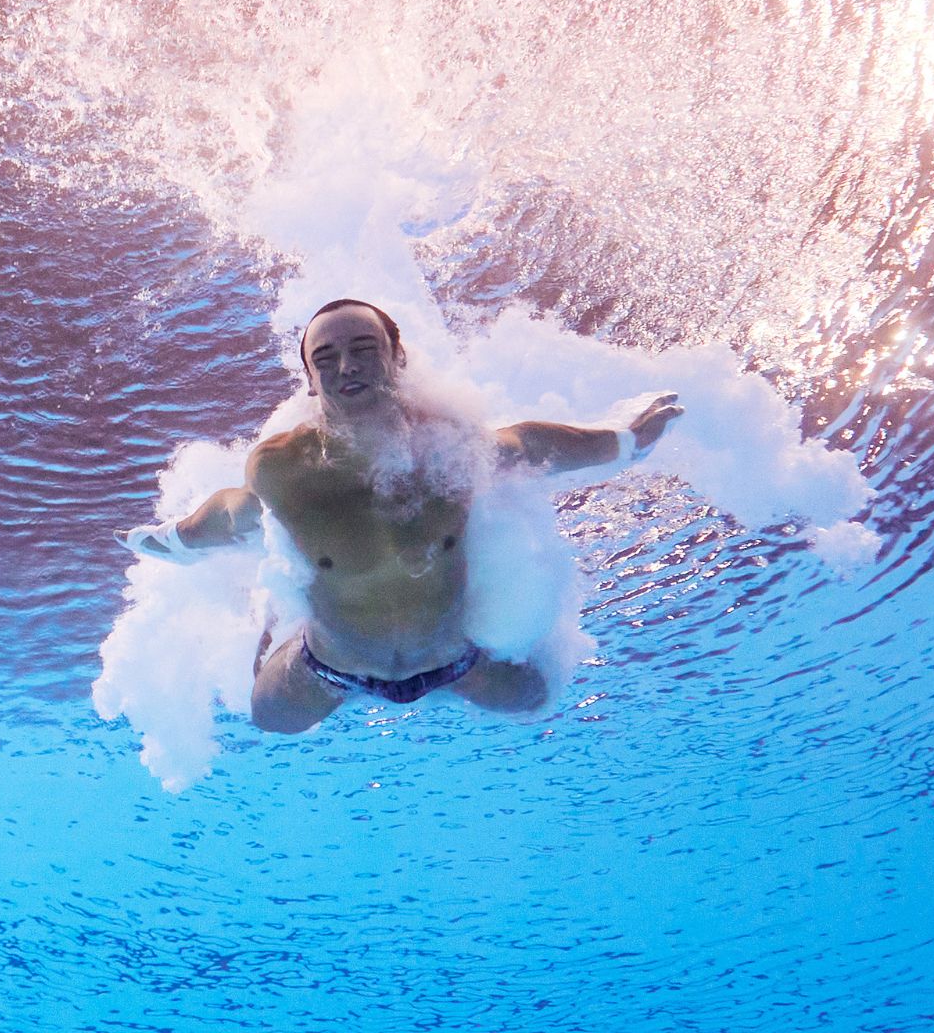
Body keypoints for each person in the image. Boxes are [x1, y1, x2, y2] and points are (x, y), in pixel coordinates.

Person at [118, 299, 683, 733]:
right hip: (329, 665)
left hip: (455, 662)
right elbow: (237, 513)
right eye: (326, 358)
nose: (347, 366)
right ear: (311, 381)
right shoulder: (285, 468)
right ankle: (278, 611)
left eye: (364, 348)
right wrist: (179, 537)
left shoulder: (447, 446)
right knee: (268, 721)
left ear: (397, 357)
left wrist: (625, 441)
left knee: (536, 701)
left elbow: (527, 446)